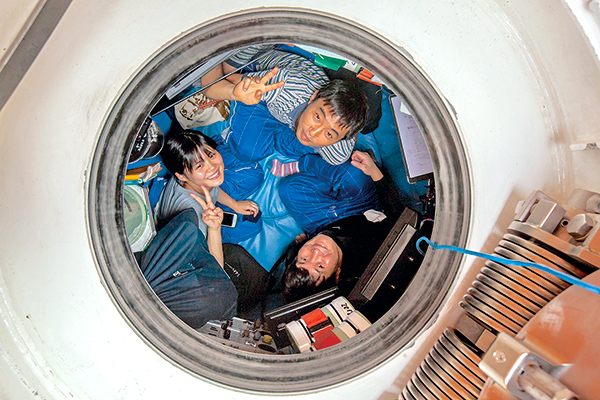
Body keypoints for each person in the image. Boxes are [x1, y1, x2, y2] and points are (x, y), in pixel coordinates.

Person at [200, 44, 369, 166]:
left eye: (329, 134)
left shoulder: (338, 153)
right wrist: (235, 93)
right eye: (318, 117)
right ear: (314, 97)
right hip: (263, 88)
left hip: (286, 116)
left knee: (296, 144)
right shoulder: (285, 86)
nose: (313, 132)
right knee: (248, 152)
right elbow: (217, 84)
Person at [280, 151, 405, 302]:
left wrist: (301, 243)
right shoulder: (365, 254)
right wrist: (374, 172)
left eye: (304, 259)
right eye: (320, 266)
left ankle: (319, 173)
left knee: (288, 189)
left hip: (320, 225)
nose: (315, 252)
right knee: (352, 173)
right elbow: (398, 217)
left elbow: (293, 254)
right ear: (337, 274)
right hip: (360, 210)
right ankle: (315, 167)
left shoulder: (294, 261)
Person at [154, 129, 262, 244]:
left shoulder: (195, 179)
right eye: (199, 165)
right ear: (181, 176)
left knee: (254, 178)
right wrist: (214, 230)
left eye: (211, 155)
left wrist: (234, 204)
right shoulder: (193, 220)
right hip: (201, 232)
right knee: (252, 224)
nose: (212, 167)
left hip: (208, 204)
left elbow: (212, 189)